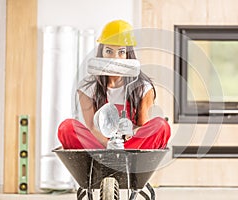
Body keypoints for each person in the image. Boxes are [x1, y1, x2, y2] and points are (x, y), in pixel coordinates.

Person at [58, 20, 170, 149]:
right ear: (102, 52)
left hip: (132, 148)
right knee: (67, 127)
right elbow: (93, 128)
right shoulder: (87, 89)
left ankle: (125, 161)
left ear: (128, 54)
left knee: (161, 126)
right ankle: (104, 164)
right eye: (109, 51)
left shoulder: (143, 88)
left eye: (121, 52)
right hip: (101, 148)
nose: (114, 57)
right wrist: (109, 145)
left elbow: (142, 126)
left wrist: (131, 132)